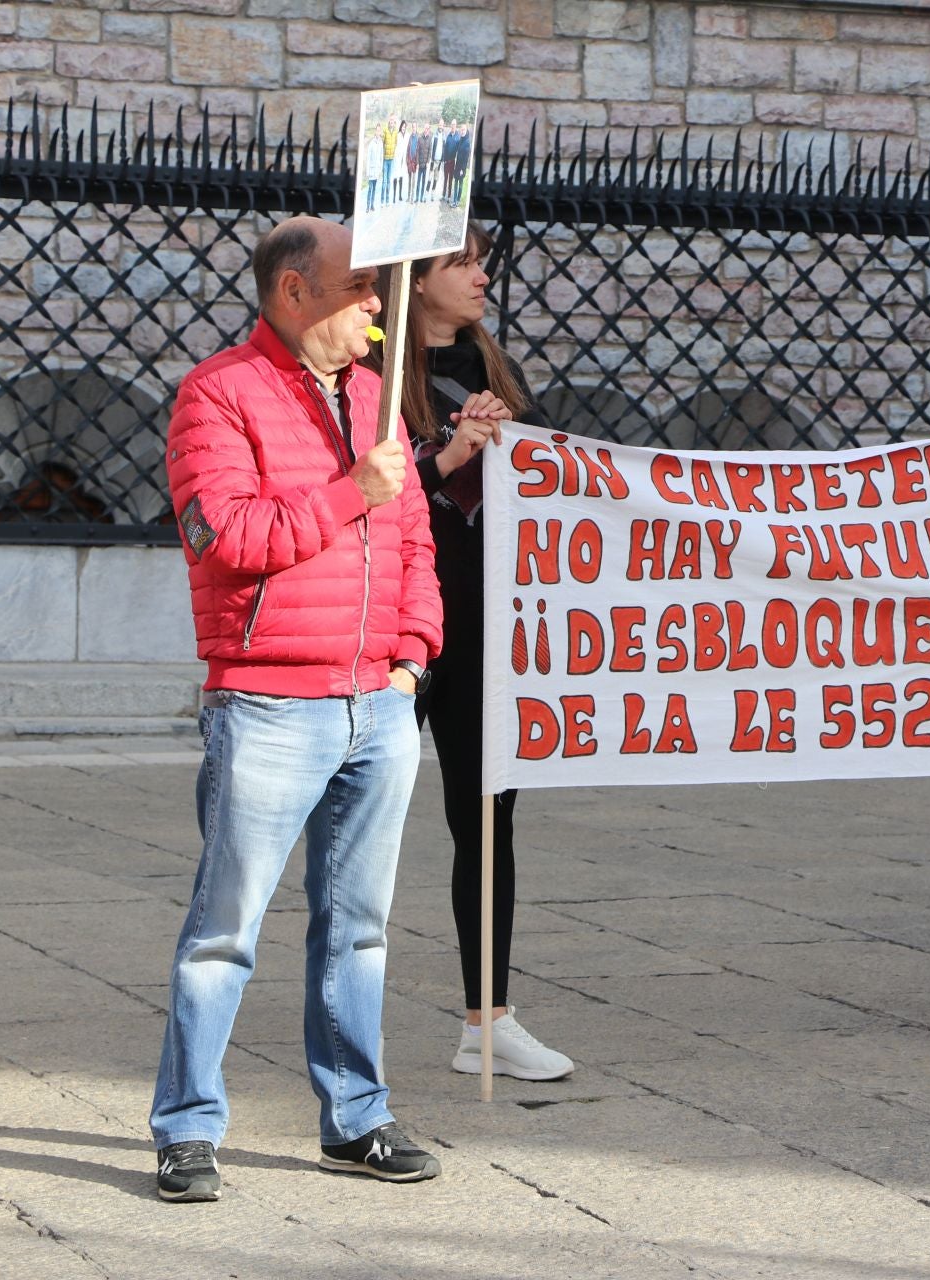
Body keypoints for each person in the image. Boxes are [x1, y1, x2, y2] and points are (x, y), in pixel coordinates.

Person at [150, 216, 445, 1201]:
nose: (377, 308)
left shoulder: (375, 397)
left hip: (377, 703)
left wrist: (411, 658)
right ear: (292, 293)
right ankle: (187, 1128)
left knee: (359, 924)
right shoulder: (216, 395)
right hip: (270, 701)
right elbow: (226, 535)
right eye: (360, 288)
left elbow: (413, 543)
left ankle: (354, 1117)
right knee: (226, 925)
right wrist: (349, 490)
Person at [371, 223, 576, 1084]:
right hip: (398, 621)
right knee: (359, 815)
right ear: (417, 280)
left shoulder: (497, 370)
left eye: (481, 260)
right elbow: (365, 495)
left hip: (490, 625)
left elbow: (555, 483)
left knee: (487, 820)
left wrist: (515, 444)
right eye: (462, 262)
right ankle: (341, 1012)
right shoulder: (374, 377)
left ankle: (487, 1022)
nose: (482, 275)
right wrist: (452, 451)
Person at [362, 128, 384, 214]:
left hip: (377, 171)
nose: (378, 132)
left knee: (374, 188)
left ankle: (372, 205)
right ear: (375, 132)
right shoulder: (371, 143)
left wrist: (380, 169)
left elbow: (381, 157)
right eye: (377, 131)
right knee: (370, 188)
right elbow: (368, 158)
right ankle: (367, 206)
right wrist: (367, 171)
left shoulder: (381, 143)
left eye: (380, 131)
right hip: (371, 170)